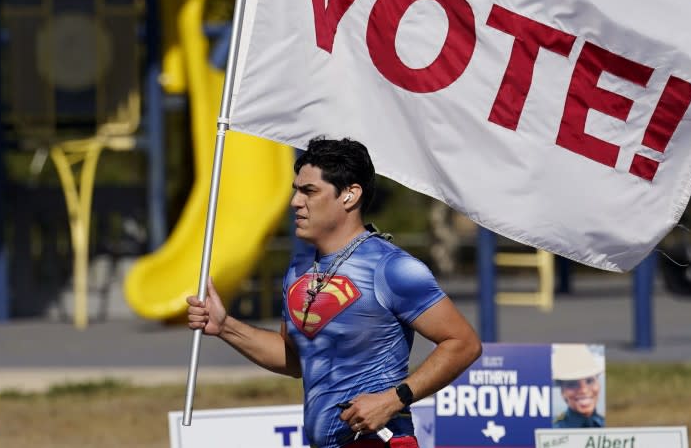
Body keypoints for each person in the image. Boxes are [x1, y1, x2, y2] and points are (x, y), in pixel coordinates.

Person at [187, 136, 482, 448]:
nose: (295, 202)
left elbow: (463, 343)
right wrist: (225, 327)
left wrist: (393, 400)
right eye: (296, 190)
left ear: (349, 195)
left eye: (309, 191)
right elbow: (296, 360)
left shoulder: (391, 267)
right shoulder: (300, 268)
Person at [551, 344, 605, 428]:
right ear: (563, 392)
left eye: (589, 381)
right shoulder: (553, 430)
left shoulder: (606, 424)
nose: (583, 390)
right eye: (573, 384)